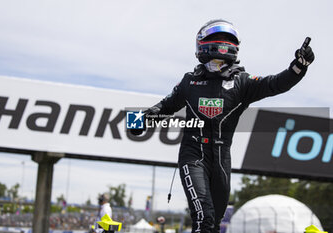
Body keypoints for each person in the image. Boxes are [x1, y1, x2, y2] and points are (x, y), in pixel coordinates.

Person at [131, 19, 314, 233]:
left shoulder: (242, 81)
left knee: (214, 224)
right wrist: (136, 121)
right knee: (204, 218)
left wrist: (299, 67)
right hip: (193, 155)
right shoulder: (190, 81)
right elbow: (165, 106)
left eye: (228, 40)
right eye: (220, 39)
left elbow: (276, 83)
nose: (223, 43)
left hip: (221, 159)